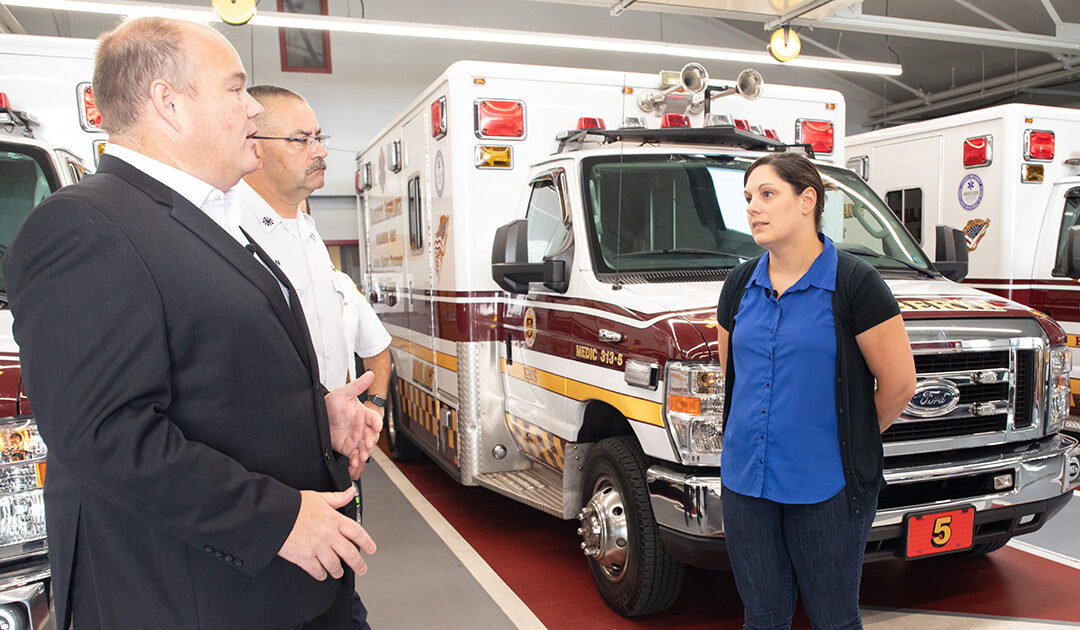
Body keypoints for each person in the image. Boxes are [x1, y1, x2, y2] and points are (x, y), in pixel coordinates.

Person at [4, 17, 383, 630]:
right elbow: (103, 433)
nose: (254, 109)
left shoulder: (201, 215)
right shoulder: (85, 227)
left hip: (283, 589)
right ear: (168, 102)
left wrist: (319, 411)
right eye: (235, 89)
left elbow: (214, 371)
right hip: (200, 600)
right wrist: (276, 518)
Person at [715, 152, 916, 629]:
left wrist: (848, 434)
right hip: (746, 482)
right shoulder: (739, 285)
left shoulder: (855, 284)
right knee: (762, 616)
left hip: (828, 488)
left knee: (832, 617)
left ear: (808, 200)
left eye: (767, 195)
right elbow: (734, 375)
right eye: (748, 198)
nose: (753, 208)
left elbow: (900, 383)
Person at [236, 85, 392, 630]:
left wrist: (366, 413)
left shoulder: (305, 228)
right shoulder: (229, 234)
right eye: (302, 139)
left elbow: (365, 351)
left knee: (336, 598)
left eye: (319, 137)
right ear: (252, 144)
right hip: (279, 480)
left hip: (333, 462)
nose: (321, 150)